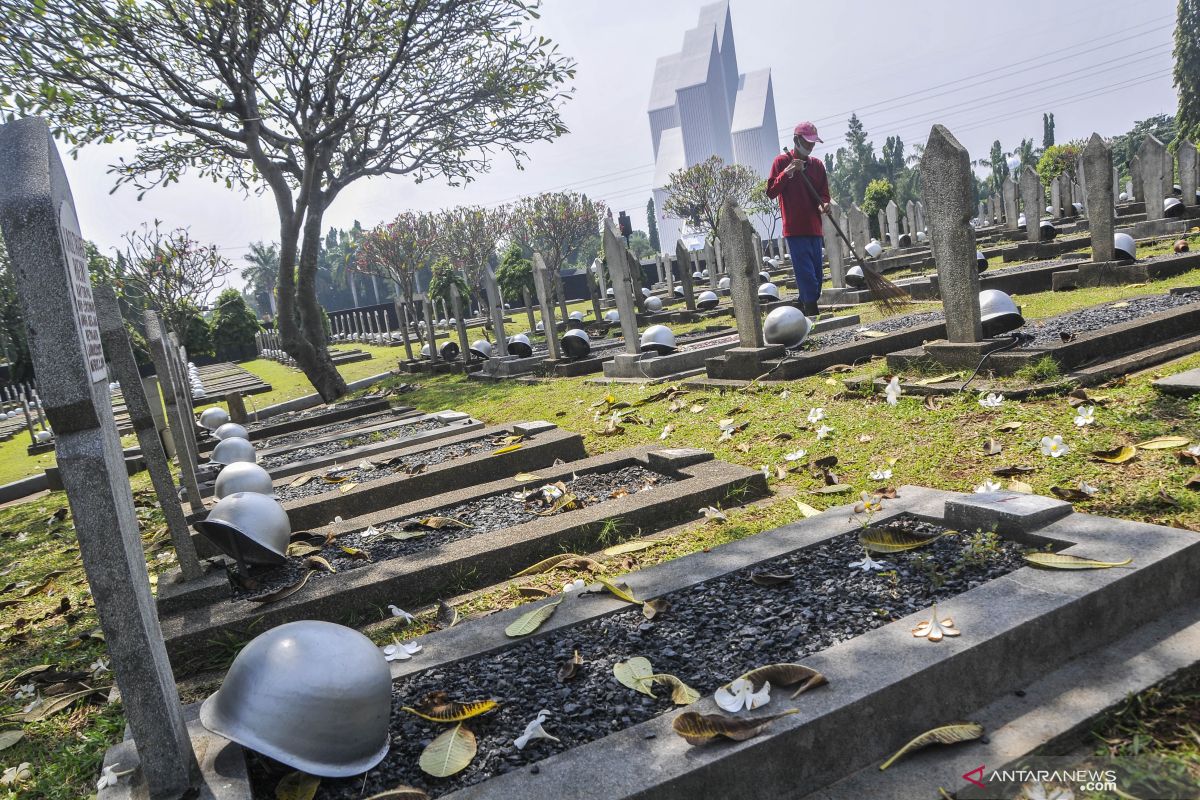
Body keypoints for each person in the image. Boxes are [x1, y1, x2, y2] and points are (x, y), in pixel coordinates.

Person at [766, 121, 830, 318]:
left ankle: (802, 303)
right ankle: (812, 311)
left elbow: (824, 194)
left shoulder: (817, 166)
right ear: (796, 140)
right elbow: (771, 192)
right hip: (795, 230)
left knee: (817, 277)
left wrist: (824, 205)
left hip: (814, 229)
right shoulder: (781, 162)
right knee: (806, 275)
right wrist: (787, 173)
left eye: (813, 143)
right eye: (807, 142)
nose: (810, 147)